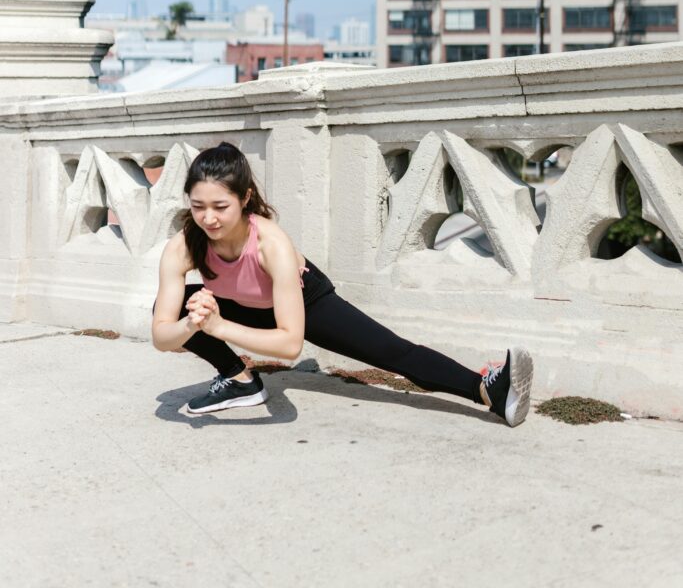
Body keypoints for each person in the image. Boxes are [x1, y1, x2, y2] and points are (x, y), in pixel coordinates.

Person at [152, 142, 534, 426]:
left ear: (245, 198)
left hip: (306, 302)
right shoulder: (183, 246)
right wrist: (192, 324)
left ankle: (487, 390)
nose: (208, 218)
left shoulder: (272, 245)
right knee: (177, 304)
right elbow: (161, 335)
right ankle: (239, 381)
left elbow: (289, 344)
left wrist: (217, 326)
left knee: (392, 352)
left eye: (221, 207)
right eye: (198, 206)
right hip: (242, 305)